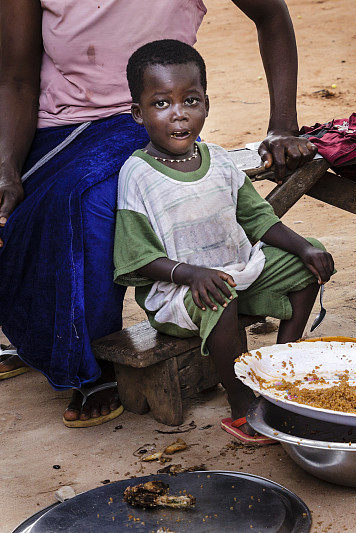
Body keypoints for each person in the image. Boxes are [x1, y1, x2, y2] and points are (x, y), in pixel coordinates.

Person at [0, 0, 318, 427]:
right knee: (44, 209)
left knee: (91, 202)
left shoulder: (204, 149)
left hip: (143, 119)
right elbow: (15, 77)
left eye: (195, 101)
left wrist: (283, 124)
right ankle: (61, 345)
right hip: (61, 127)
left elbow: (271, 16)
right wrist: (6, 168)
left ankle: (87, 354)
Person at [114, 40, 334, 444]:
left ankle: (276, 371)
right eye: (161, 104)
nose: (179, 114)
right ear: (138, 113)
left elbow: (257, 218)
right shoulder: (137, 175)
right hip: (179, 296)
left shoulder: (218, 160)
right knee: (218, 297)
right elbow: (138, 258)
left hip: (237, 275)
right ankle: (243, 408)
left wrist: (305, 247)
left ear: (206, 103)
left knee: (305, 260)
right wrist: (191, 274)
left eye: (191, 100)